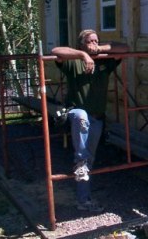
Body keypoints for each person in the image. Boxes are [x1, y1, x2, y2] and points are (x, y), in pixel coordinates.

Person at [51, 29, 128, 212]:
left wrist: (100, 48)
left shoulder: (105, 61)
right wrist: (84, 56)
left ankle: (83, 200)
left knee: (86, 163)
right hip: (76, 113)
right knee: (81, 116)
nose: (93, 44)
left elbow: (124, 48)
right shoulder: (73, 62)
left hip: (97, 118)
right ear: (81, 44)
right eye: (89, 41)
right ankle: (80, 162)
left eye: (96, 40)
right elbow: (55, 51)